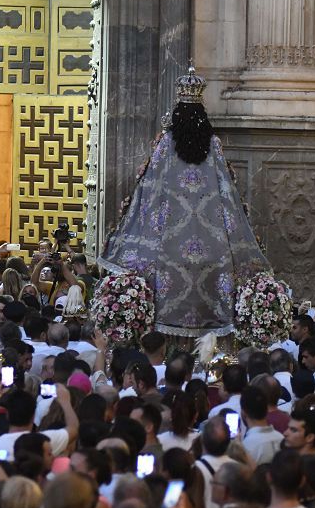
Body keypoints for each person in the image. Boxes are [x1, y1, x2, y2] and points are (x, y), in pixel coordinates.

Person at [97, 67, 270, 337]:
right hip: (215, 254)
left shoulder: (165, 144)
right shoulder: (213, 145)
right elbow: (228, 195)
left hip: (167, 252)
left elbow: (148, 193)